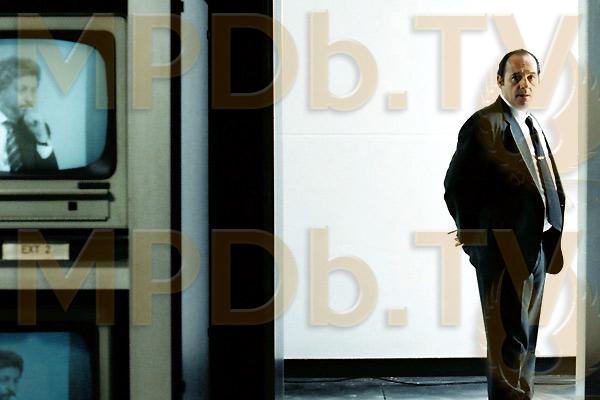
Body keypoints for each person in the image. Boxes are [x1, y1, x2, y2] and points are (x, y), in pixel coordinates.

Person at [444, 49, 565, 399]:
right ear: (500, 81)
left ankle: (521, 395)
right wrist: (476, 242)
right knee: (507, 340)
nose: (524, 84)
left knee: (526, 337)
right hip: (503, 251)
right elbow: (456, 186)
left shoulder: (531, 123)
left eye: (530, 77)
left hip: (537, 246)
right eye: (515, 77)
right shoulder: (485, 124)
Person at [0, 57, 58, 171]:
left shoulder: (36, 128)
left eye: (33, 91)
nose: (29, 98)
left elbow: (51, 175)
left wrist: (41, 137)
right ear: (2, 89)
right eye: (22, 89)